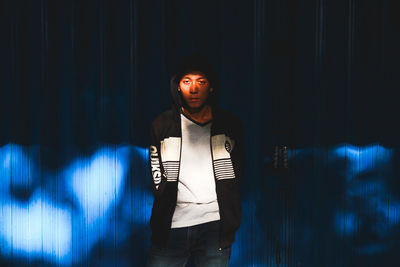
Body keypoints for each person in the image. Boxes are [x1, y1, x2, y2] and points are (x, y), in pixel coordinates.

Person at [146, 53, 245, 267]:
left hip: (214, 225)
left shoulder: (229, 125)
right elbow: (155, 170)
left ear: (211, 87)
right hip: (172, 225)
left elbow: (235, 173)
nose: (193, 89)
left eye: (201, 82)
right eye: (186, 81)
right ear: (177, 87)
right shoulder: (162, 125)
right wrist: (164, 200)